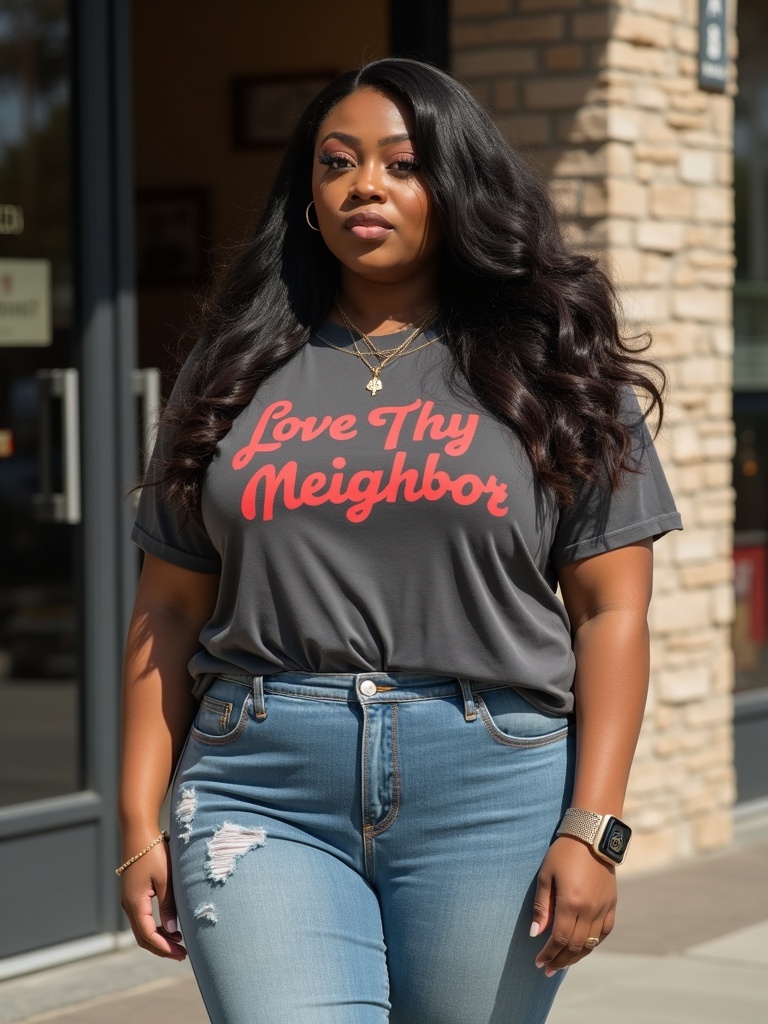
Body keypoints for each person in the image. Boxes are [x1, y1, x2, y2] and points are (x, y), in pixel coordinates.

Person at [118, 58, 682, 1024]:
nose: (363, 185)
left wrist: (595, 829)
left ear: (457, 186)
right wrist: (138, 825)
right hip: (261, 777)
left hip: (490, 783)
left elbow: (610, 609)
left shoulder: (550, 365)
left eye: (402, 163)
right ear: (308, 197)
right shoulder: (232, 369)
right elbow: (167, 607)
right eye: (336, 163)